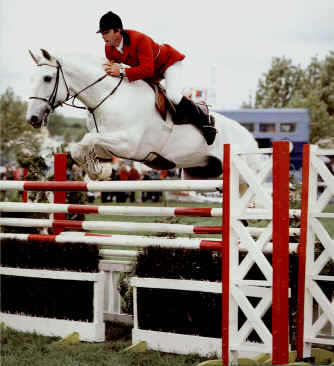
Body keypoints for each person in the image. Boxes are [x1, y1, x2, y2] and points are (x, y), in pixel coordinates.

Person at [97, 11, 217, 145]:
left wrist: (121, 72)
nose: (103, 36)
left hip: (168, 64)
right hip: (150, 72)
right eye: (101, 33)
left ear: (118, 31)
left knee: (172, 94)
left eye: (106, 32)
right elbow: (115, 70)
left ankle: (205, 120)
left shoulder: (139, 39)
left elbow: (147, 70)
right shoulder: (109, 49)